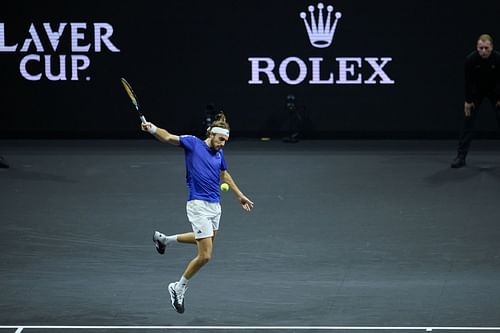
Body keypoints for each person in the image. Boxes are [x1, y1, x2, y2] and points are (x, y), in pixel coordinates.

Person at [141, 112, 254, 314]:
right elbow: (168, 137)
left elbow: (224, 174)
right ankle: (178, 287)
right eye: (221, 139)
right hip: (198, 204)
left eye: (226, 141)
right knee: (206, 255)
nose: (223, 144)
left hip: (215, 206)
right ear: (211, 134)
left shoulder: (220, 153)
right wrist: (152, 128)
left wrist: (239, 195)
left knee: (205, 239)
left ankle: (165, 240)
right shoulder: (193, 143)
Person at [451, 34, 500, 168]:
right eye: (481, 48)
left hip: (495, 92)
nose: (483, 51)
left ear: (491, 47)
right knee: (468, 122)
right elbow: (468, 82)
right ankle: (461, 157)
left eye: (486, 48)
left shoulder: (498, 59)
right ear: (477, 48)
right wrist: (468, 101)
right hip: (476, 92)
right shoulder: (470, 60)